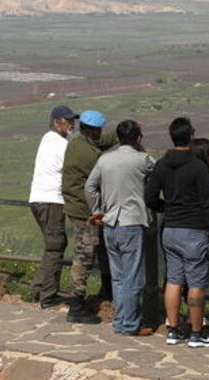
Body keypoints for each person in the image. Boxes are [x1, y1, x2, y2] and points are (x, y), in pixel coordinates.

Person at [145, 117, 209, 348]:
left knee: (173, 281)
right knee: (196, 283)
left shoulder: (161, 165)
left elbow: (150, 198)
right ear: (191, 136)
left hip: (170, 230)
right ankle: (196, 334)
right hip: (194, 231)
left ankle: (173, 330)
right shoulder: (198, 167)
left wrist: (167, 208)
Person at [84, 119, 155, 336]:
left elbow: (89, 187)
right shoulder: (143, 160)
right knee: (133, 277)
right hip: (131, 223)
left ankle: (121, 320)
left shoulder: (105, 160)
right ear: (138, 138)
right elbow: (159, 173)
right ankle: (130, 323)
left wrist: (97, 210)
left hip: (110, 223)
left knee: (118, 277)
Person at [62, 109, 117, 324]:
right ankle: (76, 307)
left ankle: (105, 291)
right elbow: (105, 170)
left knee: (97, 251)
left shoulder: (78, 142)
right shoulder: (90, 155)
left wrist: (121, 134)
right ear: (94, 131)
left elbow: (101, 141)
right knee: (84, 257)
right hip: (85, 212)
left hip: (80, 208)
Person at [28, 105, 77, 309]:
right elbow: (71, 168)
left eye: (72, 120)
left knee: (52, 245)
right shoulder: (61, 144)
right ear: (57, 122)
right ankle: (47, 296)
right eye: (68, 121)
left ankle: (38, 290)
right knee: (56, 245)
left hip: (37, 198)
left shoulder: (46, 139)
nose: (72, 124)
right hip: (51, 200)